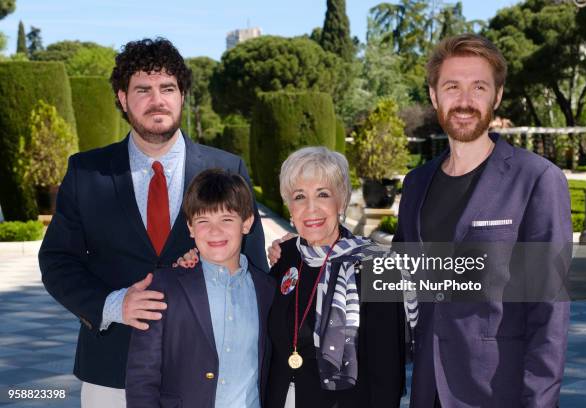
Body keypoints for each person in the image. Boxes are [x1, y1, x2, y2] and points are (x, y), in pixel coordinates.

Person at [38, 38, 266, 407]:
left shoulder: (227, 169)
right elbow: (56, 262)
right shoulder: (86, 172)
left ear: (181, 96)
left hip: (210, 374)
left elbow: (255, 270)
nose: (157, 99)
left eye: (168, 88)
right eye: (143, 89)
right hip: (111, 370)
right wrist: (114, 305)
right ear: (123, 98)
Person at [393, 34, 571, 407]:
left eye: (479, 87)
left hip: (499, 393)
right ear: (433, 95)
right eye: (452, 86)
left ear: (497, 96)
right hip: (428, 391)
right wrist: (313, 251)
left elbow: (548, 310)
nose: (465, 101)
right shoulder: (416, 184)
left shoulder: (536, 180)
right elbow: (399, 281)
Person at [265, 147, 408, 408]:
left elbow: (388, 373)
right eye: (299, 196)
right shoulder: (284, 257)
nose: (311, 208)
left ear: (341, 201)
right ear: (289, 207)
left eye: (323, 194)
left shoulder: (377, 266)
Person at [126, 169, 274, 408]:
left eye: (226, 219)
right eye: (203, 221)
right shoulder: (164, 287)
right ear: (191, 227)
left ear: (246, 223)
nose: (215, 231)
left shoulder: (267, 289)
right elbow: (142, 376)